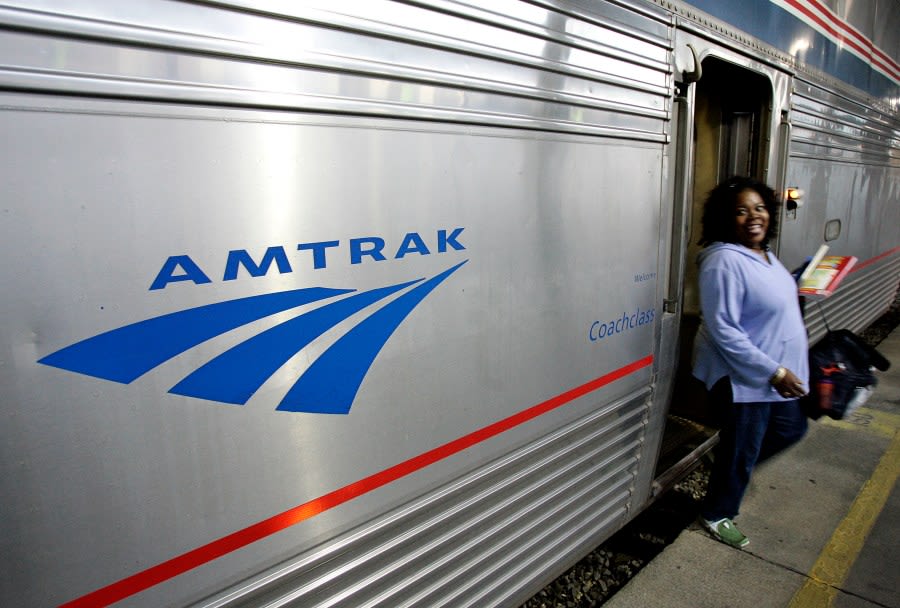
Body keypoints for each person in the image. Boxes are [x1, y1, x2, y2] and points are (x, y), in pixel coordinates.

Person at [692, 176, 809, 549]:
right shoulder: (723, 260)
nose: (753, 217)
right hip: (748, 376)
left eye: (758, 208)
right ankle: (716, 513)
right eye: (741, 211)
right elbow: (723, 329)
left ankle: (727, 463)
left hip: (771, 373)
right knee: (743, 450)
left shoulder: (764, 254)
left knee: (790, 428)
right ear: (727, 219)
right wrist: (773, 372)